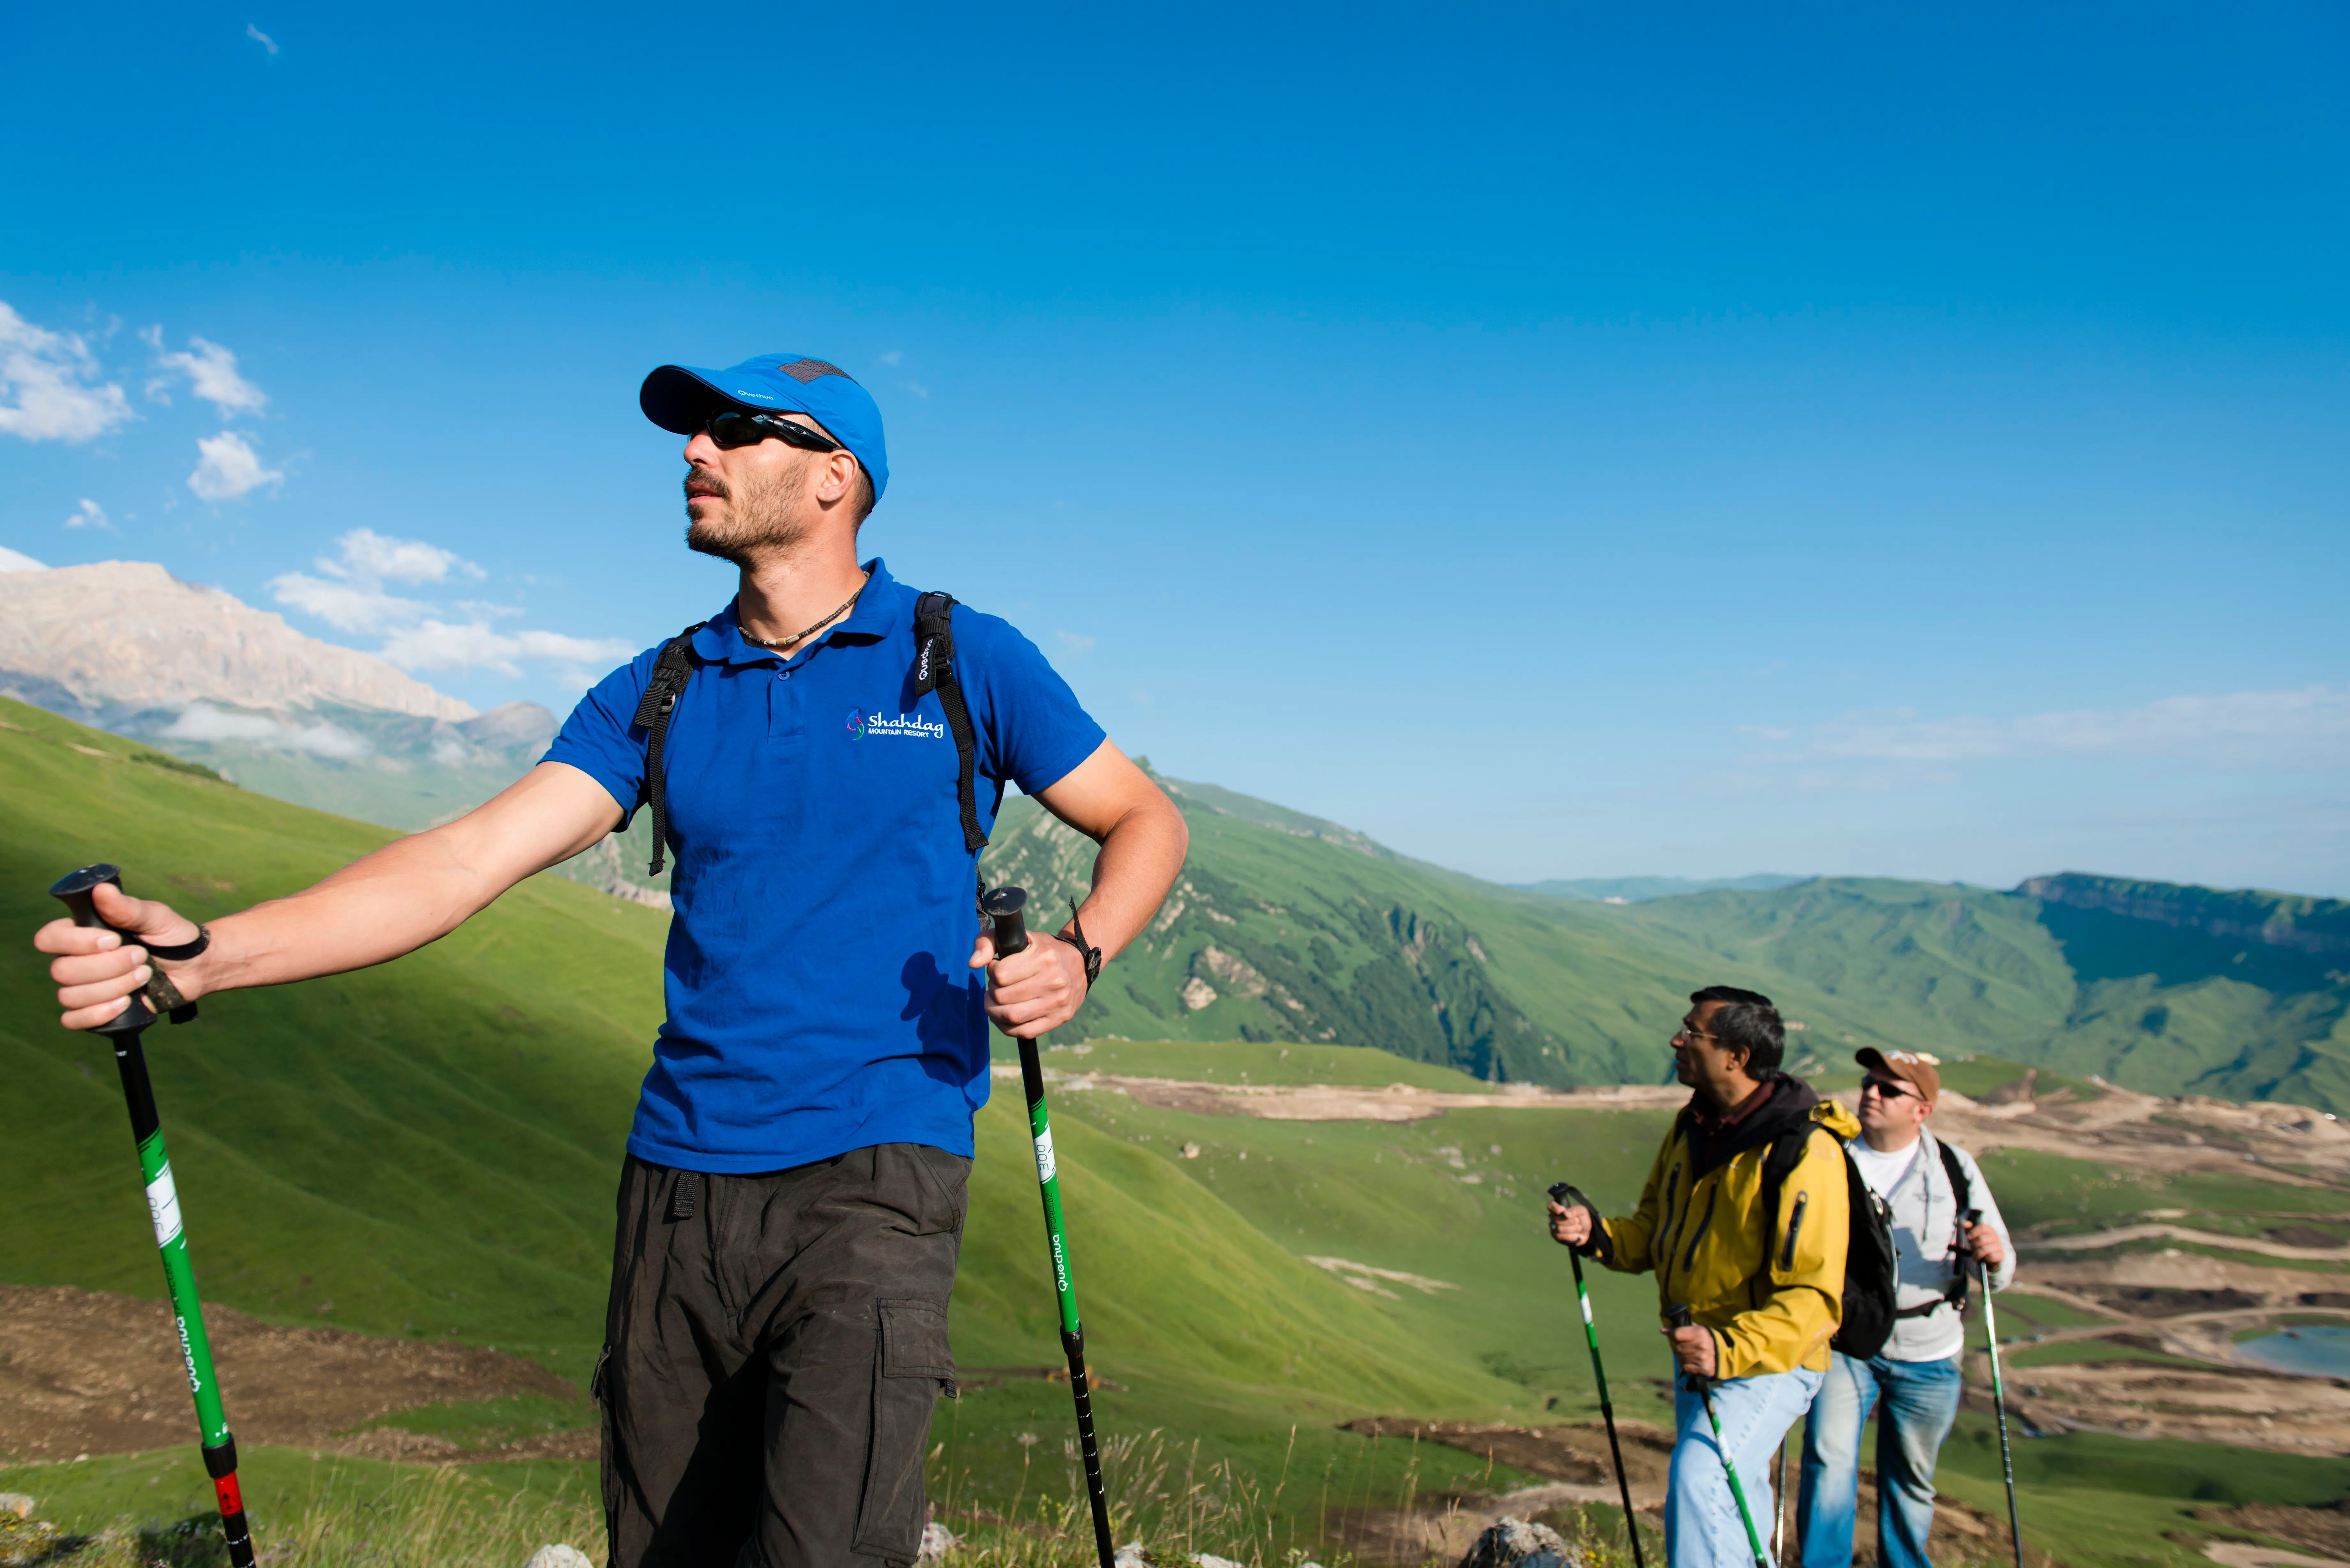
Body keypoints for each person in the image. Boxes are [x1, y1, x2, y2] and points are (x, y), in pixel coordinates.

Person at [35, 351, 1190, 1568]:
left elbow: (1143, 819)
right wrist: (209, 957)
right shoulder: (663, 689)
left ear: (833, 479)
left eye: (736, 432)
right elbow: (465, 860)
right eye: (694, 432)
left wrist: (1079, 952)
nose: (695, 451)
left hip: (879, 1176)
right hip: (678, 1184)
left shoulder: (960, 657)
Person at [1548, 985, 1860, 1568]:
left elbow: (1815, 1297)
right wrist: (1597, 1235)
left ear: (1736, 1056)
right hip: (1700, 1351)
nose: (1677, 1040)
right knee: (1731, 1497)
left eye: (1692, 1032)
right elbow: (1656, 1229)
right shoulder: (1693, 1125)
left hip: (1768, 1359)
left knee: (1701, 1478)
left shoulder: (1803, 1150)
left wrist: (1729, 1347)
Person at [1796, 1048, 2013, 1568]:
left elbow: (2000, 1270)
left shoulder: (1955, 1169)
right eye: (1870, 1083)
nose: (1871, 1093)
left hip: (1930, 1350)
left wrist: (1993, 1254)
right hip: (1846, 1340)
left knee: (1911, 1480)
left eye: (1890, 1089)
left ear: (1922, 1110)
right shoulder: (1828, 1158)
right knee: (1828, 1462)